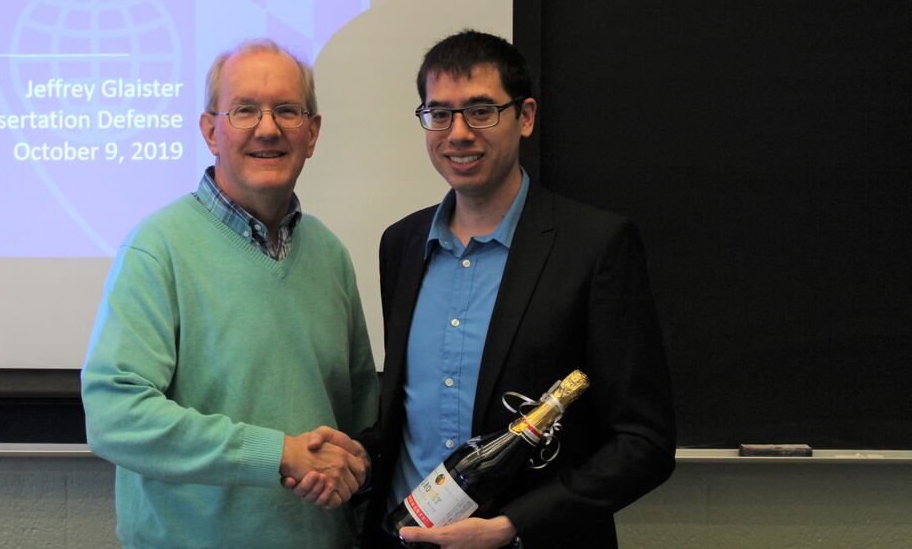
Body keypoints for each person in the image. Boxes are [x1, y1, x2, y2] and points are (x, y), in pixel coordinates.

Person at [292, 30, 676, 548]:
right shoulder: (402, 245)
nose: (458, 133)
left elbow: (644, 442)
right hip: (404, 538)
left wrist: (512, 527)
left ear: (526, 117)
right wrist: (354, 455)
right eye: (439, 113)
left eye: (481, 111)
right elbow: (409, 413)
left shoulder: (596, 246)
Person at [81, 39, 378, 549]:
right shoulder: (158, 249)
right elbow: (115, 416)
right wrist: (278, 453)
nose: (268, 128)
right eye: (244, 111)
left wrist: (356, 467)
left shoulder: (330, 256)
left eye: (287, 110)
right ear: (209, 130)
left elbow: (361, 420)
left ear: (313, 133)